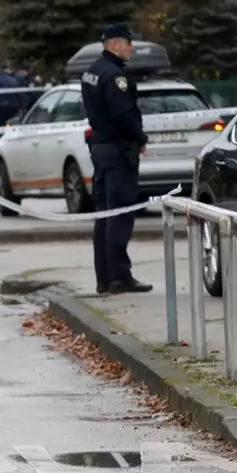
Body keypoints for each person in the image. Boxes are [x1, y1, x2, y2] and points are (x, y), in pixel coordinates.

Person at [79, 24, 152, 295]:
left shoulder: (92, 72)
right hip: (117, 151)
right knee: (120, 214)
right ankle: (120, 277)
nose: (131, 47)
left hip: (100, 148)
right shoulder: (115, 76)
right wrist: (140, 139)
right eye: (127, 43)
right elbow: (123, 115)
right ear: (114, 45)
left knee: (104, 215)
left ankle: (105, 277)